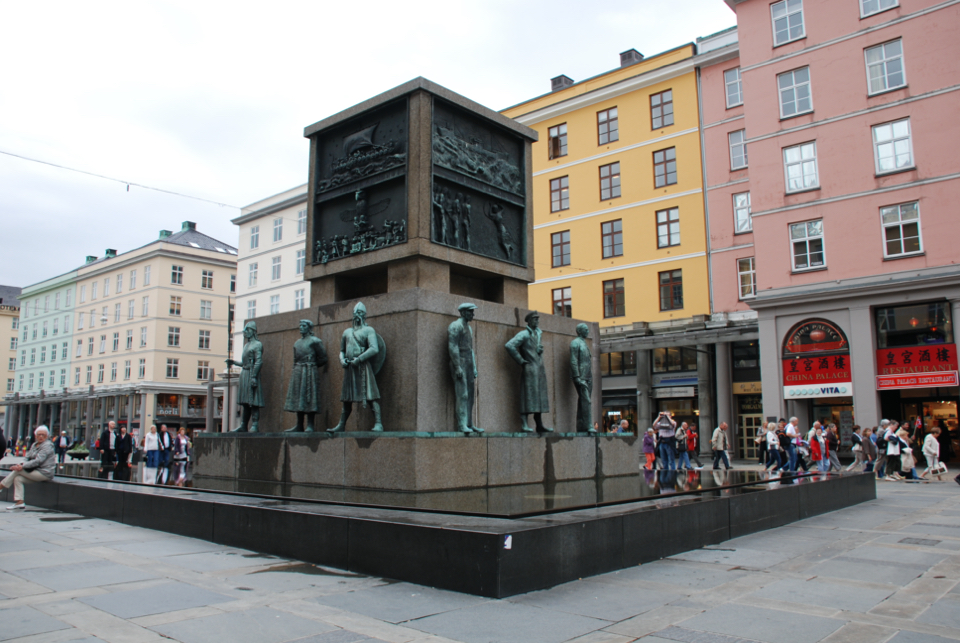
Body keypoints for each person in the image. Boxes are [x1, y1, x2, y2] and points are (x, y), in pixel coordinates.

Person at [328, 302, 385, 433]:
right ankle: (341, 425)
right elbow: (341, 350)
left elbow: (374, 348)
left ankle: (378, 423)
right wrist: (342, 360)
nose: (357, 315)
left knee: (371, 396)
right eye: (355, 313)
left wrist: (359, 359)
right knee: (347, 399)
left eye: (360, 313)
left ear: (364, 316)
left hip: (363, 367)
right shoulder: (347, 332)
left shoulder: (369, 330)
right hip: (350, 369)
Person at [505, 311, 552, 433]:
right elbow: (509, 345)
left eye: (538, 319)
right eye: (535, 319)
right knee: (528, 396)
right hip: (530, 368)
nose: (537, 321)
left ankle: (539, 424)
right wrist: (521, 360)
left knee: (539, 397)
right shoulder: (524, 334)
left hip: (540, 369)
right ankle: (524, 423)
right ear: (529, 321)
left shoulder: (538, 333)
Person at [283, 320, 329, 433]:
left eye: (303, 326)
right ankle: (299, 425)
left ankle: (310, 425)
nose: (301, 328)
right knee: (299, 398)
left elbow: (323, 358)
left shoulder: (315, 341)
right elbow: (295, 359)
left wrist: (312, 366)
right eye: (300, 326)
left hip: (310, 371)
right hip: (298, 371)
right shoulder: (297, 343)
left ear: (309, 328)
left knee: (310, 397)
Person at [447, 304, 483, 434]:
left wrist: (473, 367)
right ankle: (461, 424)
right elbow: (453, 347)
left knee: (470, 396)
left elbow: (470, 349)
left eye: (472, 312)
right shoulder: (455, 326)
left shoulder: (469, 327)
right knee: (463, 394)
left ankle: (469, 423)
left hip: (468, 362)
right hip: (459, 361)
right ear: (462, 313)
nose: (472, 314)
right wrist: (457, 367)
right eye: (470, 312)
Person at [2, 426, 56, 509]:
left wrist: (21, 466)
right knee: (18, 479)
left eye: (43, 435)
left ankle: (1, 486)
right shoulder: (34, 445)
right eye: (39, 435)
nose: (41, 436)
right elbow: (26, 457)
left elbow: (38, 461)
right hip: (34, 471)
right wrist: (20, 465)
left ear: (47, 436)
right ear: (35, 436)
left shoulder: (47, 446)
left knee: (18, 471)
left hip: (45, 473)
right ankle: (20, 502)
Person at [228, 321, 264, 433]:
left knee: (253, 401)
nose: (245, 332)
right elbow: (244, 363)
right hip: (244, 373)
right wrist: (233, 362)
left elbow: (259, 362)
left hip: (251, 374)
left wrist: (254, 376)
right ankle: (243, 425)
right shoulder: (246, 345)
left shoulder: (258, 344)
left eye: (247, 330)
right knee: (245, 403)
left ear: (253, 331)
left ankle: (255, 425)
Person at [569, 323, 596, 434]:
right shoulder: (575, 343)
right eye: (585, 330)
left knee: (583, 401)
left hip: (588, 376)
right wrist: (577, 377)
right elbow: (573, 360)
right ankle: (589, 425)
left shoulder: (584, 343)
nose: (587, 331)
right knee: (586, 401)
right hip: (581, 377)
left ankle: (581, 425)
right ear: (580, 331)